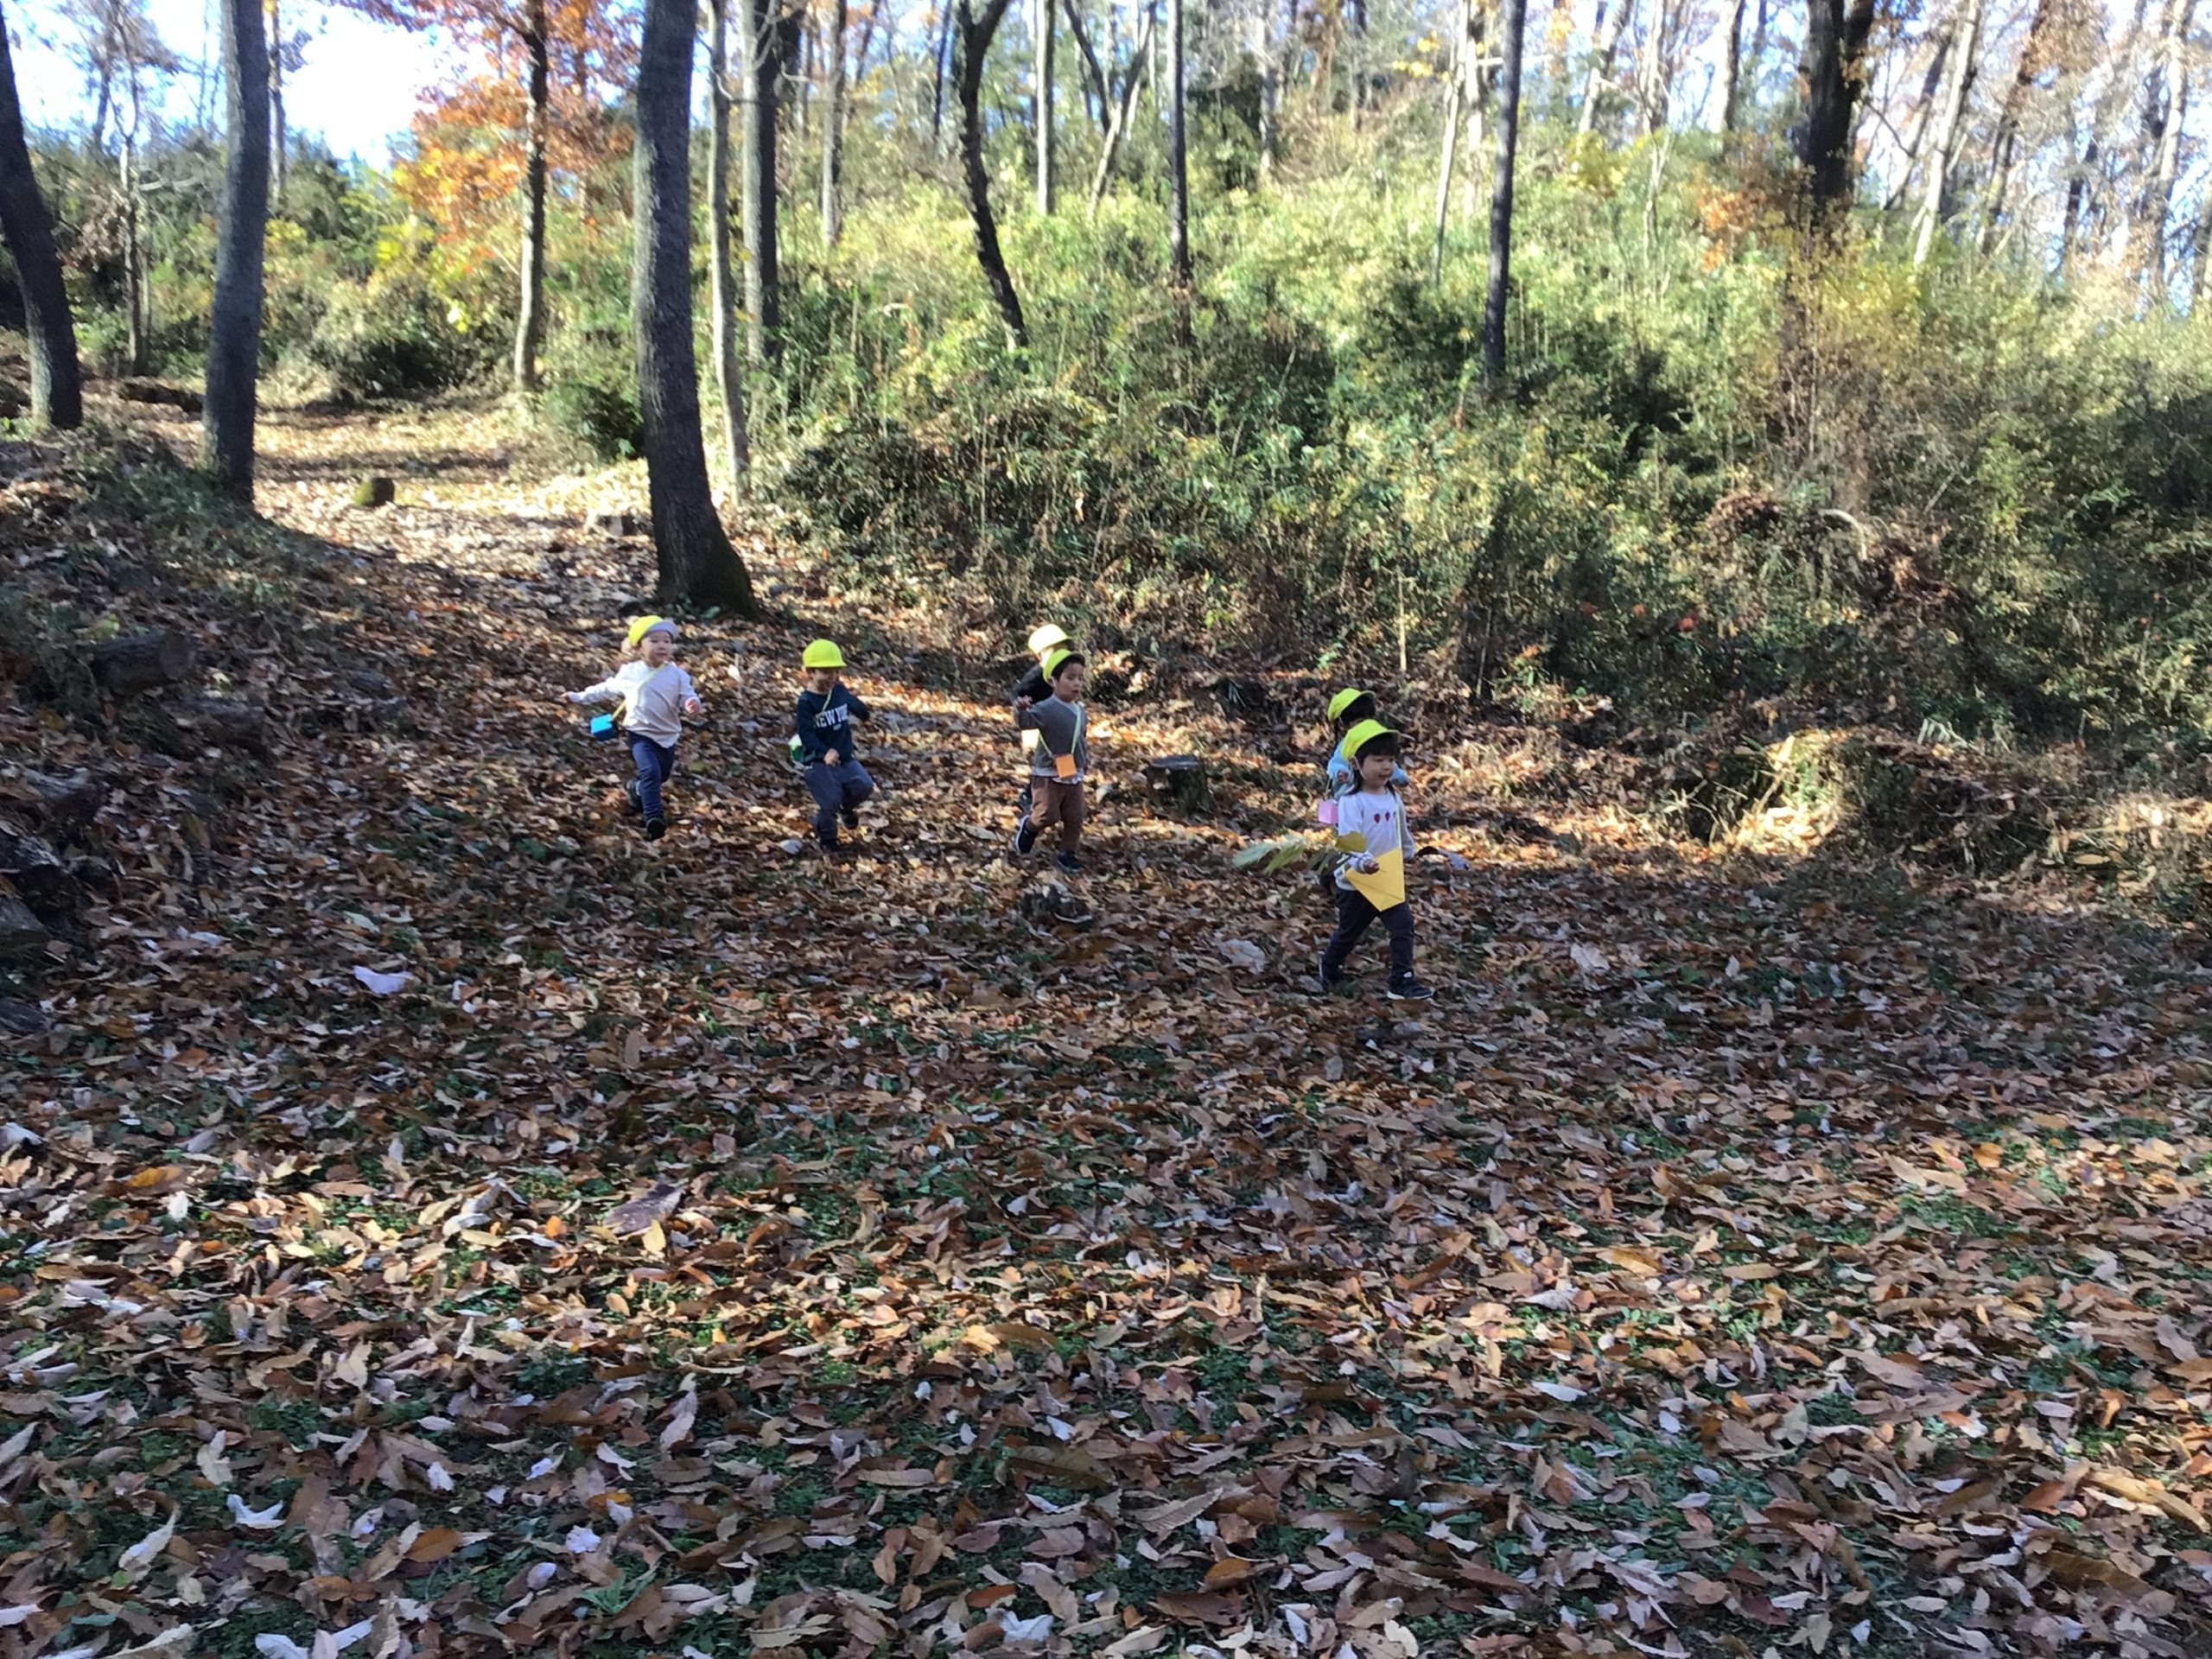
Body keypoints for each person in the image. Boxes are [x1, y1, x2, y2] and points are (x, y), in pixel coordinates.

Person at [1319, 721, 1434, 1001]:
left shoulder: (1392, 796)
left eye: (1391, 760)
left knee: (1403, 924)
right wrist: (1363, 862)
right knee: (1350, 931)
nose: (1386, 767)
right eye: (1378, 760)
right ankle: (1329, 965)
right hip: (1356, 881)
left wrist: (1409, 851)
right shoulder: (1351, 801)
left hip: (1386, 876)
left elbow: (1400, 828)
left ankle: (1402, 981)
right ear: (1357, 764)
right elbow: (1349, 840)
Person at [565, 615, 702, 841]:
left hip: (667, 735)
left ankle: (636, 790)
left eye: (667, 641)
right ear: (639, 647)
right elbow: (606, 688)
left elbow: (688, 695)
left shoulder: (678, 675)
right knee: (650, 771)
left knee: (661, 775)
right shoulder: (630, 672)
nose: (662, 646)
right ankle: (654, 817)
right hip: (639, 732)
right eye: (654, 641)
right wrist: (578, 697)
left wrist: (691, 703)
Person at [794, 639, 876, 852]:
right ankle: (828, 840)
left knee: (864, 785)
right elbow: (805, 733)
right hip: (817, 762)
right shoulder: (807, 702)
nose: (832, 677)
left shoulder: (838, 690)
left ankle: (847, 809)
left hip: (844, 757)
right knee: (829, 801)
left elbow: (851, 702)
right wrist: (823, 752)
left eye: (836, 671)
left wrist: (864, 714)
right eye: (825, 672)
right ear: (810, 673)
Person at [1013, 646, 1089, 874]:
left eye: (1080, 678)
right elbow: (1025, 722)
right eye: (1070, 678)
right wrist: (1021, 710)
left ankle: (1068, 852)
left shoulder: (1081, 712)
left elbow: (1081, 739)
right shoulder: (1046, 708)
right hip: (1047, 772)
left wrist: (1084, 762)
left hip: (1073, 771)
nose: (1076, 683)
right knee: (1047, 814)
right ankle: (1029, 827)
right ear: (1053, 681)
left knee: (1075, 816)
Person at [1013, 623, 1072, 825]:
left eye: (1064, 651)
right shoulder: (1037, 675)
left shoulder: (1064, 674)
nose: (1061, 656)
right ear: (1040, 656)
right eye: (1055, 652)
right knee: (1044, 767)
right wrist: (1023, 705)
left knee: (1066, 762)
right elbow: (1016, 693)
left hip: (1060, 727)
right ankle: (1030, 796)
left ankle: (1066, 798)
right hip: (1039, 726)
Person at [1324, 687, 1408, 798]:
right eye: (1359, 722)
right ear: (1343, 725)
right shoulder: (1347, 744)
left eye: (1367, 719)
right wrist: (1340, 772)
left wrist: (1400, 777)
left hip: (1374, 794)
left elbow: (1385, 761)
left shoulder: (1375, 739)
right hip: (1349, 795)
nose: (1364, 724)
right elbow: (1334, 763)